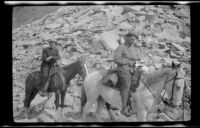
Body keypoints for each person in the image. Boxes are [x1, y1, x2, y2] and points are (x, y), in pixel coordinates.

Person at [113, 32, 139, 117]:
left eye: (134, 40)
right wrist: (127, 62)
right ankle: (124, 108)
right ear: (126, 38)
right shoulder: (121, 47)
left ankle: (135, 105)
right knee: (127, 85)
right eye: (132, 39)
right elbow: (116, 59)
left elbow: (134, 58)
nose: (133, 41)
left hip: (131, 69)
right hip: (122, 69)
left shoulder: (132, 48)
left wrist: (134, 63)